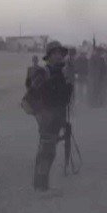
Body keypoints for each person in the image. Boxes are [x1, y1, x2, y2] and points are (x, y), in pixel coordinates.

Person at [26, 41, 73, 191]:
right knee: (46, 152)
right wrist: (42, 115)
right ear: (49, 56)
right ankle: (40, 186)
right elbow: (32, 95)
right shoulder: (43, 72)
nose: (59, 56)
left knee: (50, 151)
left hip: (57, 116)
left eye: (60, 53)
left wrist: (68, 84)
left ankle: (41, 184)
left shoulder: (63, 73)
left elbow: (64, 98)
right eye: (55, 53)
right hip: (47, 117)